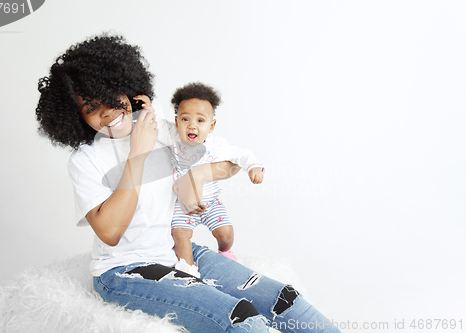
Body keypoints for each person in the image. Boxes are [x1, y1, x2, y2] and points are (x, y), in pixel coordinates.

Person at [36, 33, 342, 333]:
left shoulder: (161, 131)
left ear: (127, 87)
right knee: (240, 318)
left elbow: (225, 160)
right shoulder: (86, 160)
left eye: (111, 96)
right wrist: (138, 155)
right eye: (90, 107)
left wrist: (197, 174)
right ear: (76, 117)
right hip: (123, 270)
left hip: (175, 249)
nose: (106, 112)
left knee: (284, 298)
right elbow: (111, 232)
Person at [138, 82, 264, 277]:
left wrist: (254, 167)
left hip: (211, 203)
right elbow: (158, 124)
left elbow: (241, 154)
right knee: (180, 236)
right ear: (177, 121)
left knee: (225, 233)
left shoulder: (218, 145)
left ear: (211, 125)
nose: (192, 125)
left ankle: (225, 251)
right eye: (185, 119)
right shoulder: (173, 136)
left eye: (200, 120)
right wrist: (149, 108)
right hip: (182, 206)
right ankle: (187, 270)